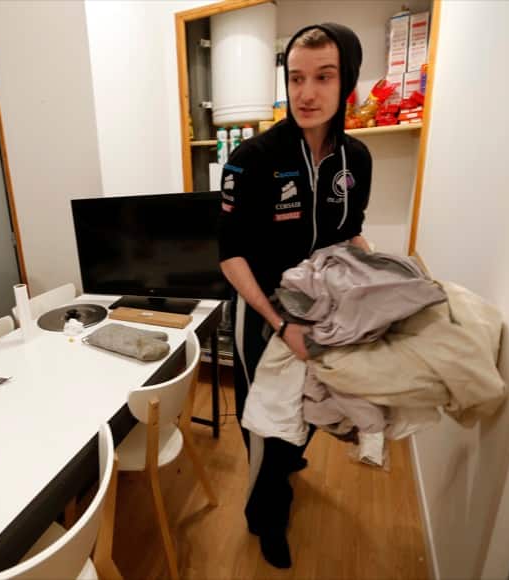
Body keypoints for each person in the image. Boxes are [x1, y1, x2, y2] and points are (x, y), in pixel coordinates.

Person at [217, 23, 372, 568]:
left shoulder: (357, 159)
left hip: (325, 307)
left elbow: (351, 232)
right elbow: (230, 255)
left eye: (323, 77)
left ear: (346, 82)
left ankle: (288, 458)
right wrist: (281, 324)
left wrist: (380, 280)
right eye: (297, 78)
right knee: (262, 421)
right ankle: (265, 518)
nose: (306, 93)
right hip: (263, 310)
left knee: (311, 400)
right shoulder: (252, 157)